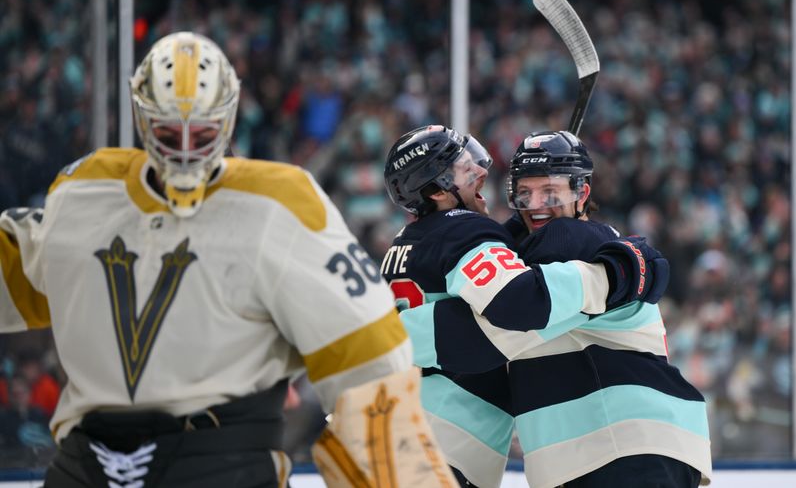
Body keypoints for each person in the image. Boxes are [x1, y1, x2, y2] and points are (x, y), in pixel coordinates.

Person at [0, 32, 459, 488]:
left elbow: (367, 351)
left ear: (227, 119)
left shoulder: (280, 204)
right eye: (168, 131)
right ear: (143, 119)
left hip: (219, 460)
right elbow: (21, 275)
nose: (183, 147)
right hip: (88, 462)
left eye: (199, 133)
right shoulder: (86, 192)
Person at [401, 130, 712, 487]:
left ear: (583, 193)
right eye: (525, 193)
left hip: (628, 447)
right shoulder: (550, 259)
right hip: (590, 457)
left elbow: (477, 332)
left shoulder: (581, 248)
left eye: (550, 192)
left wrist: (395, 335)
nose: (536, 204)